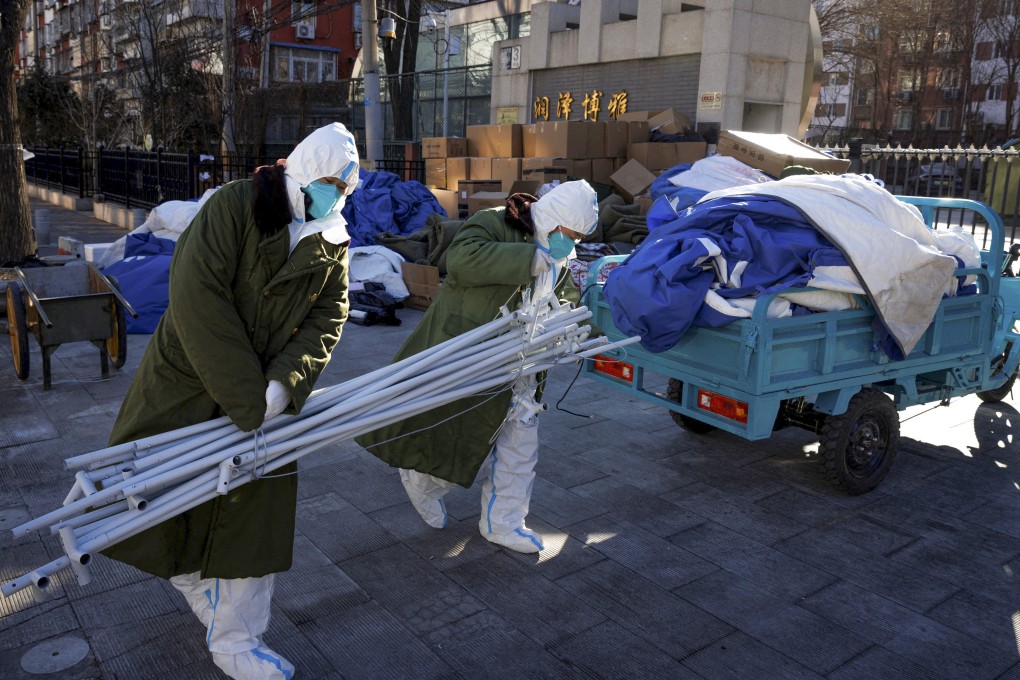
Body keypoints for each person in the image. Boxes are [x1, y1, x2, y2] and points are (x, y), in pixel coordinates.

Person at [102, 122, 360, 680]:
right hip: (189, 380)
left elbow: (328, 317)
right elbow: (200, 301)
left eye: (343, 188)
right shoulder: (232, 208)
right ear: (299, 172)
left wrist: (284, 386)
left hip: (266, 394)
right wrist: (250, 399)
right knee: (166, 498)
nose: (333, 195)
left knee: (252, 522)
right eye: (327, 183)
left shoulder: (332, 237)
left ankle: (237, 642)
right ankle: (197, 585)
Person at [358, 180, 598, 553]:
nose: (572, 243)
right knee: (453, 434)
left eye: (579, 237)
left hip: (522, 363)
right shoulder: (494, 222)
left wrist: (581, 330)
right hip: (470, 351)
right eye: (570, 234)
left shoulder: (557, 248)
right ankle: (422, 483)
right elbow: (461, 260)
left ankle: (504, 522)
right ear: (551, 219)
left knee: (521, 443)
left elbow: (564, 294)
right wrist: (528, 260)